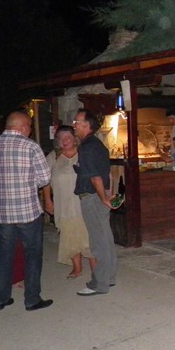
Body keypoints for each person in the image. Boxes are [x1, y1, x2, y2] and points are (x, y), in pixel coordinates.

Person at [0, 110, 53, 311]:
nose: (30, 130)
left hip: (3, 213)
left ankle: (1, 298)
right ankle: (32, 299)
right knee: (32, 255)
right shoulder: (31, 147)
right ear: (22, 126)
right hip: (28, 212)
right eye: (29, 126)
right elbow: (45, 178)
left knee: (4, 255)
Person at [73, 109, 118, 297]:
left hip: (92, 198)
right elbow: (108, 174)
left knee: (98, 242)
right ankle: (109, 277)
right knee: (106, 240)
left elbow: (95, 177)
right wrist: (107, 195)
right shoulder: (98, 145)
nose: (74, 125)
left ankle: (99, 283)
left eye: (77, 122)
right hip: (99, 197)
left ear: (87, 125)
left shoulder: (87, 147)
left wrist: (103, 198)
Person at [43, 125, 95, 280]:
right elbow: (45, 181)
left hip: (83, 202)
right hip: (63, 203)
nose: (65, 141)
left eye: (68, 137)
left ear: (75, 139)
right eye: (61, 138)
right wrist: (48, 200)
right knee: (69, 235)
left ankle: (96, 269)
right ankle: (77, 268)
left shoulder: (83, 153)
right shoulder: (53, 157)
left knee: (89, 236)